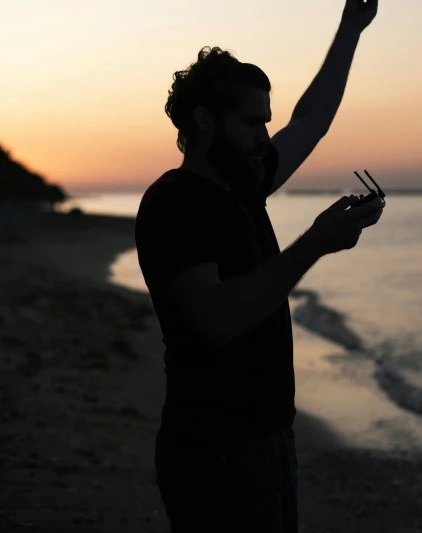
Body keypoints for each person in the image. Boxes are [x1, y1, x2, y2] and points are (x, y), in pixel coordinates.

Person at [135, 33, 384, 531]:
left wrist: (352, 26)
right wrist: (316, 242)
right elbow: (216, 319)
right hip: (215, 451)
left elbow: (310, 121)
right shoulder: (175, 202)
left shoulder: (243, 184)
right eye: (252, 123)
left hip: (267, 438)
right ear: (204, 120)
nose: (265, 139)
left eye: (266, 123)